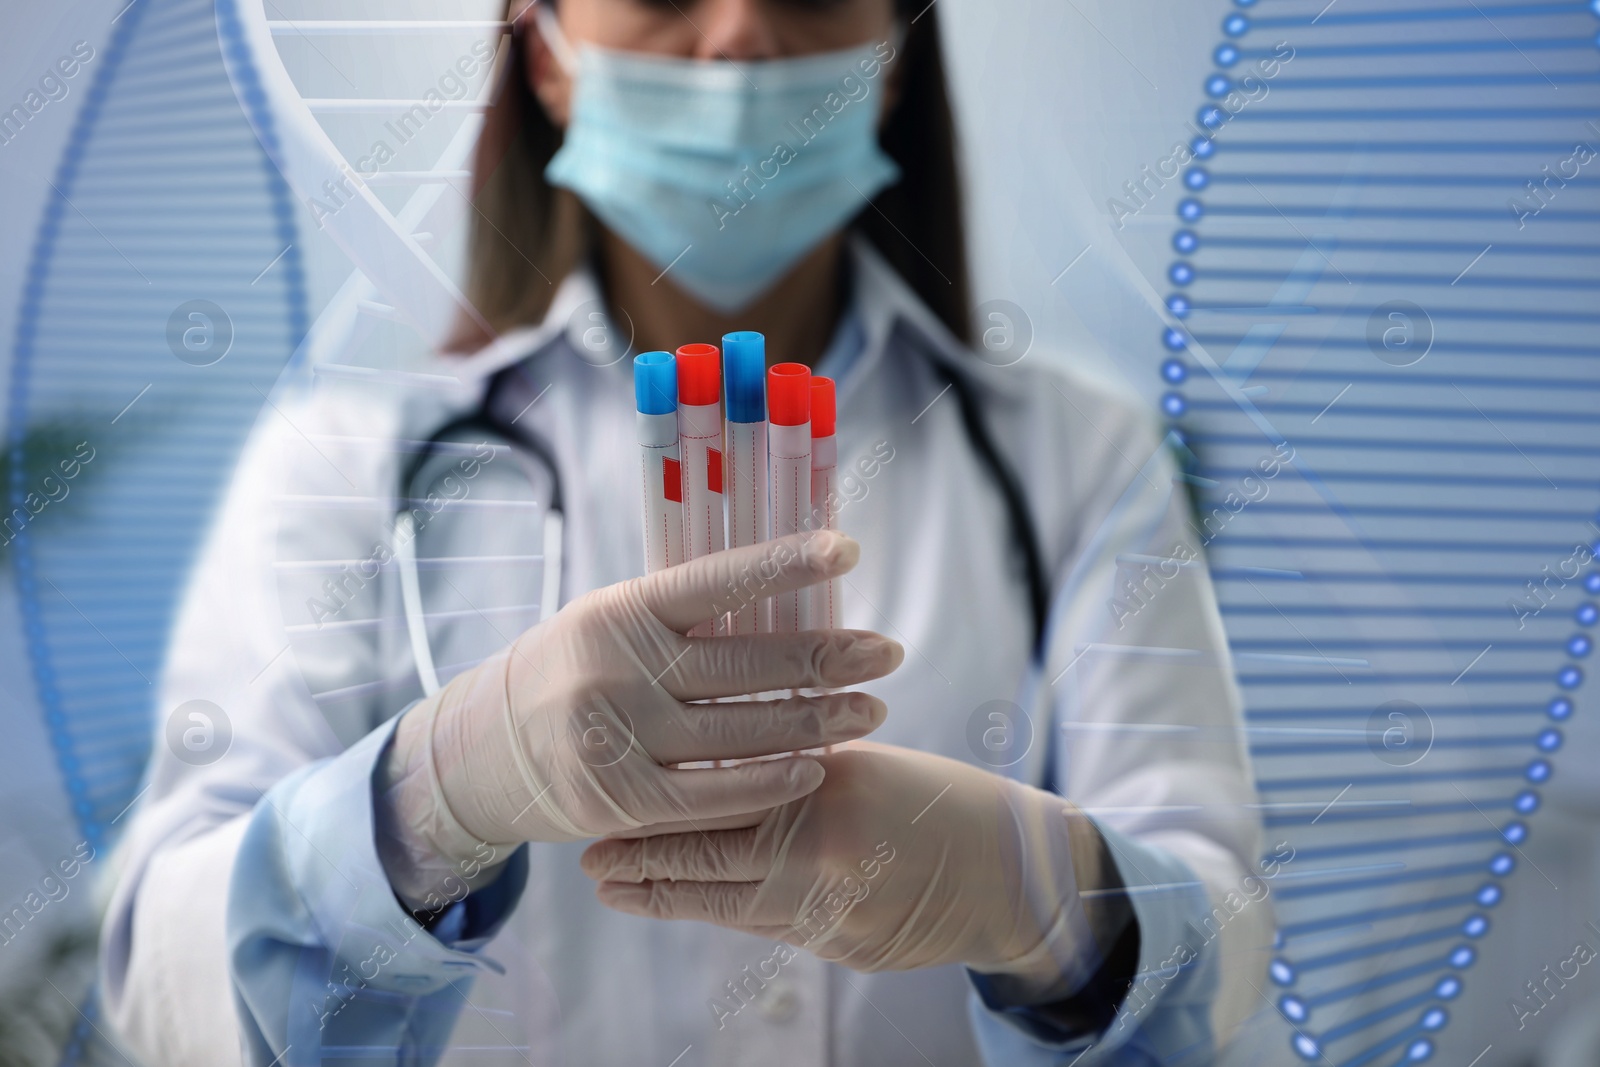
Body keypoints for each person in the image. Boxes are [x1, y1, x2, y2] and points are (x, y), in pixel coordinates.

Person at [100, 0, 1269, 1063]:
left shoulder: (1076, 456)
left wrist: (1043, 900)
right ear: (545, 52)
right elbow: (160, 978)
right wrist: (431, 800)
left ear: (895, 53)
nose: (739, 39)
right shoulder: (345, 463)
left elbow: (1220, 932)